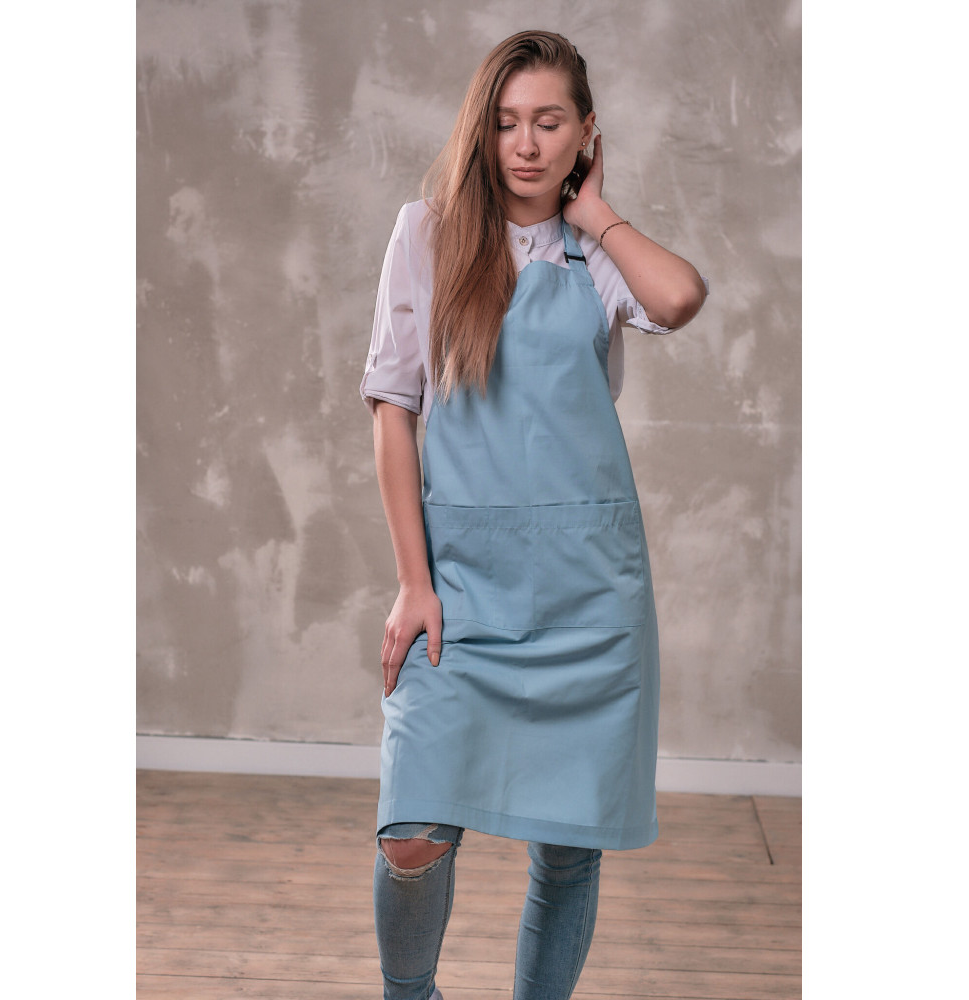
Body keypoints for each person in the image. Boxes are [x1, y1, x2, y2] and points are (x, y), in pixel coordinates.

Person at [359, 29, 708, 1000]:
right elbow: (393, 412)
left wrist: (597, 213)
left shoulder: (596, 255)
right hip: (462, 588)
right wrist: (415, 583)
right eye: (507, 122)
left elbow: (680, 297)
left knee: (566, 852)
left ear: (585, 132)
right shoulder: (426, 236)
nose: (525, 144)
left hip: (587, 596)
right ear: (482, 130)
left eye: (549, 122)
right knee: (413, 835)